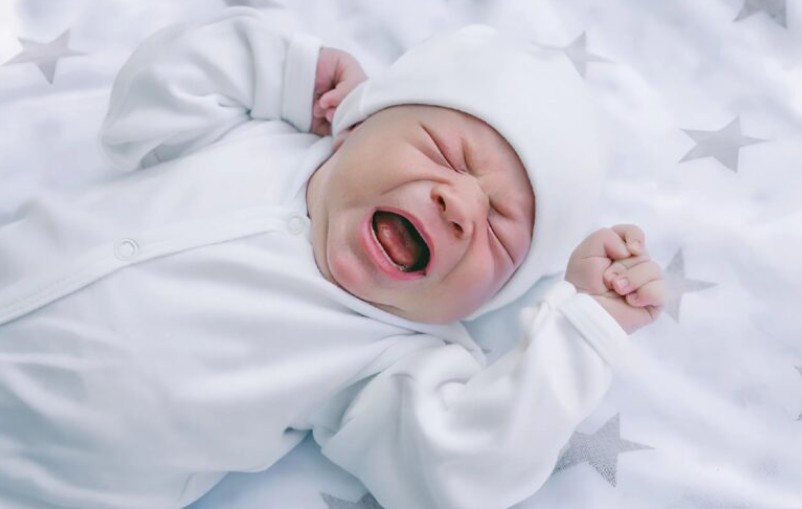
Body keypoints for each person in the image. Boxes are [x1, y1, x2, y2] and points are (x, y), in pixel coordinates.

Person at [0, 7, 666, 509]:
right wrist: (289, 75)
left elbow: (469, 467)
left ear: (491, 297)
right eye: (444, 152)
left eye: (499, 230)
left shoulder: (390, 354)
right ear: (353, 126)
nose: (460, 204)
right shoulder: (248, 135)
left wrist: (584, 328)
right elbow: (144, 103)